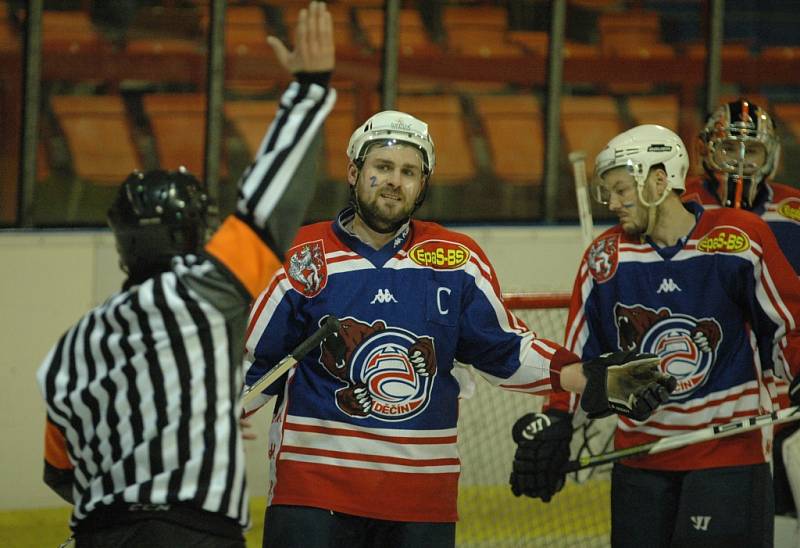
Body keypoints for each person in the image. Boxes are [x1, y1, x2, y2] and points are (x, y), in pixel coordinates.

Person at [242, 95, 676, 547]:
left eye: (409, 172)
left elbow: (504, 349)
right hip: (313, 491)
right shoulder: (302, 257)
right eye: (383, 167)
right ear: (354, 173)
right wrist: (208, 420)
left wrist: (585, 375)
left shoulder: (455, 260)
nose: (394, 181)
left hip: (421, 497)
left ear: (423, 184)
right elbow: (256, 362)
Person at [35, 2, 337, 546]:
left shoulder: (72, 348)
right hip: (192, 532)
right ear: (192, 234)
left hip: (99, 535)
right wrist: (309, 90)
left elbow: (58, 471)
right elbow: (268, 208)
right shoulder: (205, 292)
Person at [510, 124, 800, 547]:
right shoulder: (605, 259)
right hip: (641, 458)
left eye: (622, 189)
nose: (612, 203)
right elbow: (579, 353)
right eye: (607, 192)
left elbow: (788, 326)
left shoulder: (737, 239)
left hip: (727, 456)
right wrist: (557, 419)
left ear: (660, 180)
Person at [684, 98, 800, 516]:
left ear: (770, 156)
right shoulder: (681, 207)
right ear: (707, 151)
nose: (739, 162)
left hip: (787, 376)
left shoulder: (794, 212)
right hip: (712, 378)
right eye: (729, 149)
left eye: (751, 151)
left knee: (788, 492)